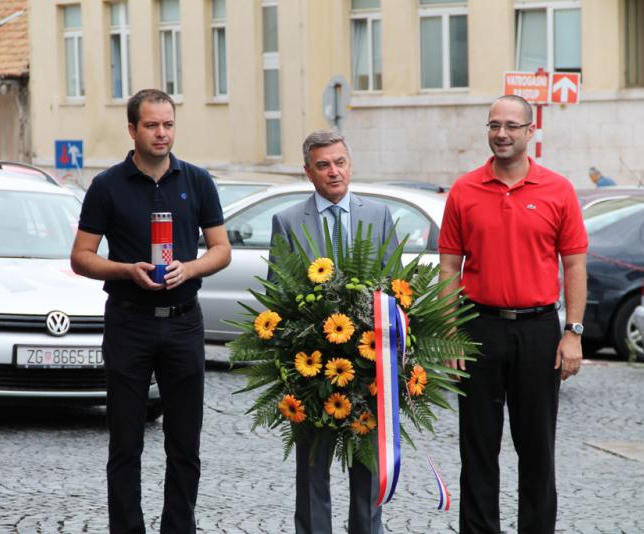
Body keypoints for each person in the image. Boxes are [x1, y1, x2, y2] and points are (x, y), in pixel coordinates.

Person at [70, 88, 231, 533]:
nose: (162, 133)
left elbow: (221, 250)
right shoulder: (107, 186)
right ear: (132, 129)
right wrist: (126, 270)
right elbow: (81, 257)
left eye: (168, 124)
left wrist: (190, 268)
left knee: (185, 443)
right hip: (129, 321)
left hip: (184, 321)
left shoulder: (197, 181)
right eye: (152, 125)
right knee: (125, 442)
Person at [438, 95, 588, 534]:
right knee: (478, 448)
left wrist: (573, 332)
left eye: (511, 126)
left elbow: (575, 264)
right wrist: (449, 331)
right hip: (478, 327)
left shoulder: (558, 189)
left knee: (537, 449)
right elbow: (449, 267)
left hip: (540, 330)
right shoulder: (464, 190)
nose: (501, 133)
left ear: (530, 131)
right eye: (493, 125)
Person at [269, 128, 398, 534]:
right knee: (312, 469)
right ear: (309, 172)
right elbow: (281, 294)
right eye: (323, 165)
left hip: (368, 364)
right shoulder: (288, 222)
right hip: (313, 368)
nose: (334, 172)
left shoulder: (378, 216)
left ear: (350, 164)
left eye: (340, 162)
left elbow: (394, 287)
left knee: (367, 465)